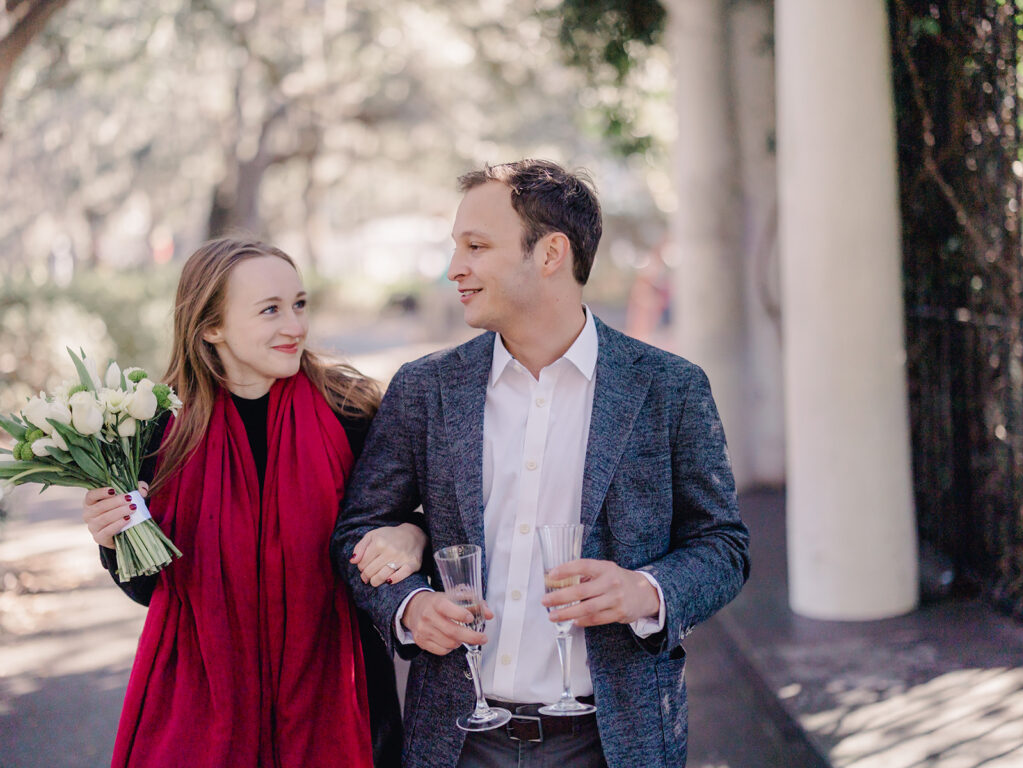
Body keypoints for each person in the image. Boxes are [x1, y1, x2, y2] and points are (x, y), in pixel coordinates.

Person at [331, 160, 751, 768]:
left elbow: (723, 546)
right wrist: (410, 606)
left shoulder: (670, 388)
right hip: (457, 740)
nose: (456, 269)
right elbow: (358, 529)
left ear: (551, 252)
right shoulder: (424, 389)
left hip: (614, 742)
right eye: (457, 247)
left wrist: (644, 590)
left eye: (476, 246)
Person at [82, 237, 427, 768]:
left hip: (338, 696)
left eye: (299, 304)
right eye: (270, 310)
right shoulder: (152, 432)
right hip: (201, 706)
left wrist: (413, 533)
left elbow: (398, 522)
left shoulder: (350, 412)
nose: (295, 325)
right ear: (210, 327)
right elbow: (153, 589)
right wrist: (112, 540)